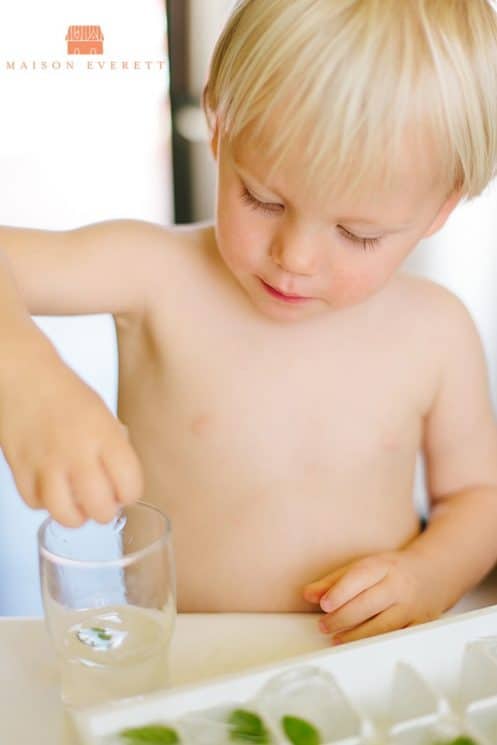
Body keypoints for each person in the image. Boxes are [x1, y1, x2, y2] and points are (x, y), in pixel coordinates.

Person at [1, 0, 497, 644]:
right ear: (218, 123)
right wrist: (25, 375)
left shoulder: (437, 332)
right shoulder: (155, 274)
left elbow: (480, 497)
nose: (295, 257)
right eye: (263, 198)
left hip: (359, 664)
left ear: (440, 207)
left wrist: (430, 572)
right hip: (183, 657)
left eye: (358, 233)